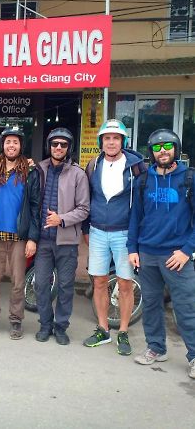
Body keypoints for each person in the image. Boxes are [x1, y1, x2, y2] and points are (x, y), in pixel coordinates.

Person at [127, 129, 195, 379]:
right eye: (157, 148)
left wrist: (187, 251)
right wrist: (132, 249)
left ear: (176, 149)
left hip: (177, 256)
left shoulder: (188, 178)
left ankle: (194, 355)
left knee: (186, 308)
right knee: (152, 304)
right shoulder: (144, 180)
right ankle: (156, 348)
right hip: (147, 254)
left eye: (167, 146)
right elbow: (135, 217)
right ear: (151, 153)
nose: (162, 151)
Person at [82, 119, 146, 355]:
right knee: (99, 281)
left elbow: (142, 203)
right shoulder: (93, 164)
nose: (111, 142)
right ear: (101, 141)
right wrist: (86, 229)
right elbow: (87, 198)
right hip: (98, 231)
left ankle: (123, 332)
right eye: (107, 138)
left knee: (125, 284)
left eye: (115, 138)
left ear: (123, 141)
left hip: (125, 234)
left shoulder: (136, 167)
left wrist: (137, 239)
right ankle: (102, 329)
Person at [0, 126, 40, 340]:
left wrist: (32, 237)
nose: (11, 145)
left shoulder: (30, 172)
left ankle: (15, 320)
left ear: (21, 145)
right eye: (7, 142)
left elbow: (34, 206)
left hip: (19, 236)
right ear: (2, 145)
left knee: (18, 282)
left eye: (15, 142)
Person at [34, 128, 90, 345]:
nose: (58, 147)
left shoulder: (78, 174)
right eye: (55, 144)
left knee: (66, 286)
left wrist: (62, 219)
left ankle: (60, 326)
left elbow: (84, 209)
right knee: (40, 284)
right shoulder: (39, 169)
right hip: (43, 240)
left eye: (63, 144)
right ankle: (45, 324)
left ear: (69, 148)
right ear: (49, 146)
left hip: (66, 241)